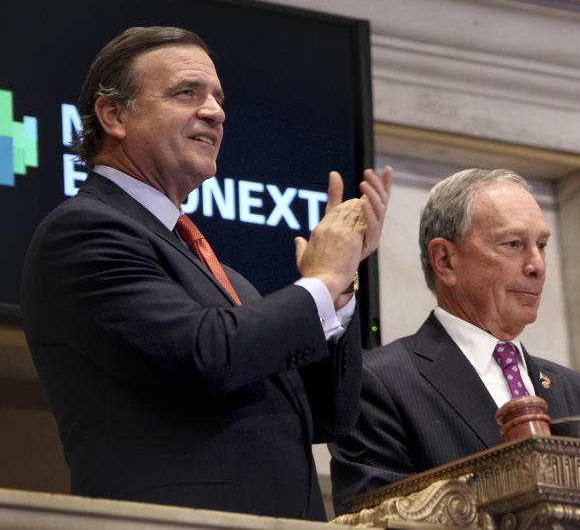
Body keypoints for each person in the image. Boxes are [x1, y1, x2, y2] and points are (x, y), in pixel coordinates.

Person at [20, 27, 391, 520]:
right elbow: (208, 355)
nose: (215, 112)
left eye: (218, 98)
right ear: (114, 115)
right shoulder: (84, 231)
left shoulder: (231, 281)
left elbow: (331, 417)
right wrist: (319, 283)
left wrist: (340, 288)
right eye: (186, 93)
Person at [328, 168, 580, 513]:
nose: (538, 266)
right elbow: (378, 521)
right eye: (513, 244)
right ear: (445, 261)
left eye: (541, 245)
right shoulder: (378, 384)